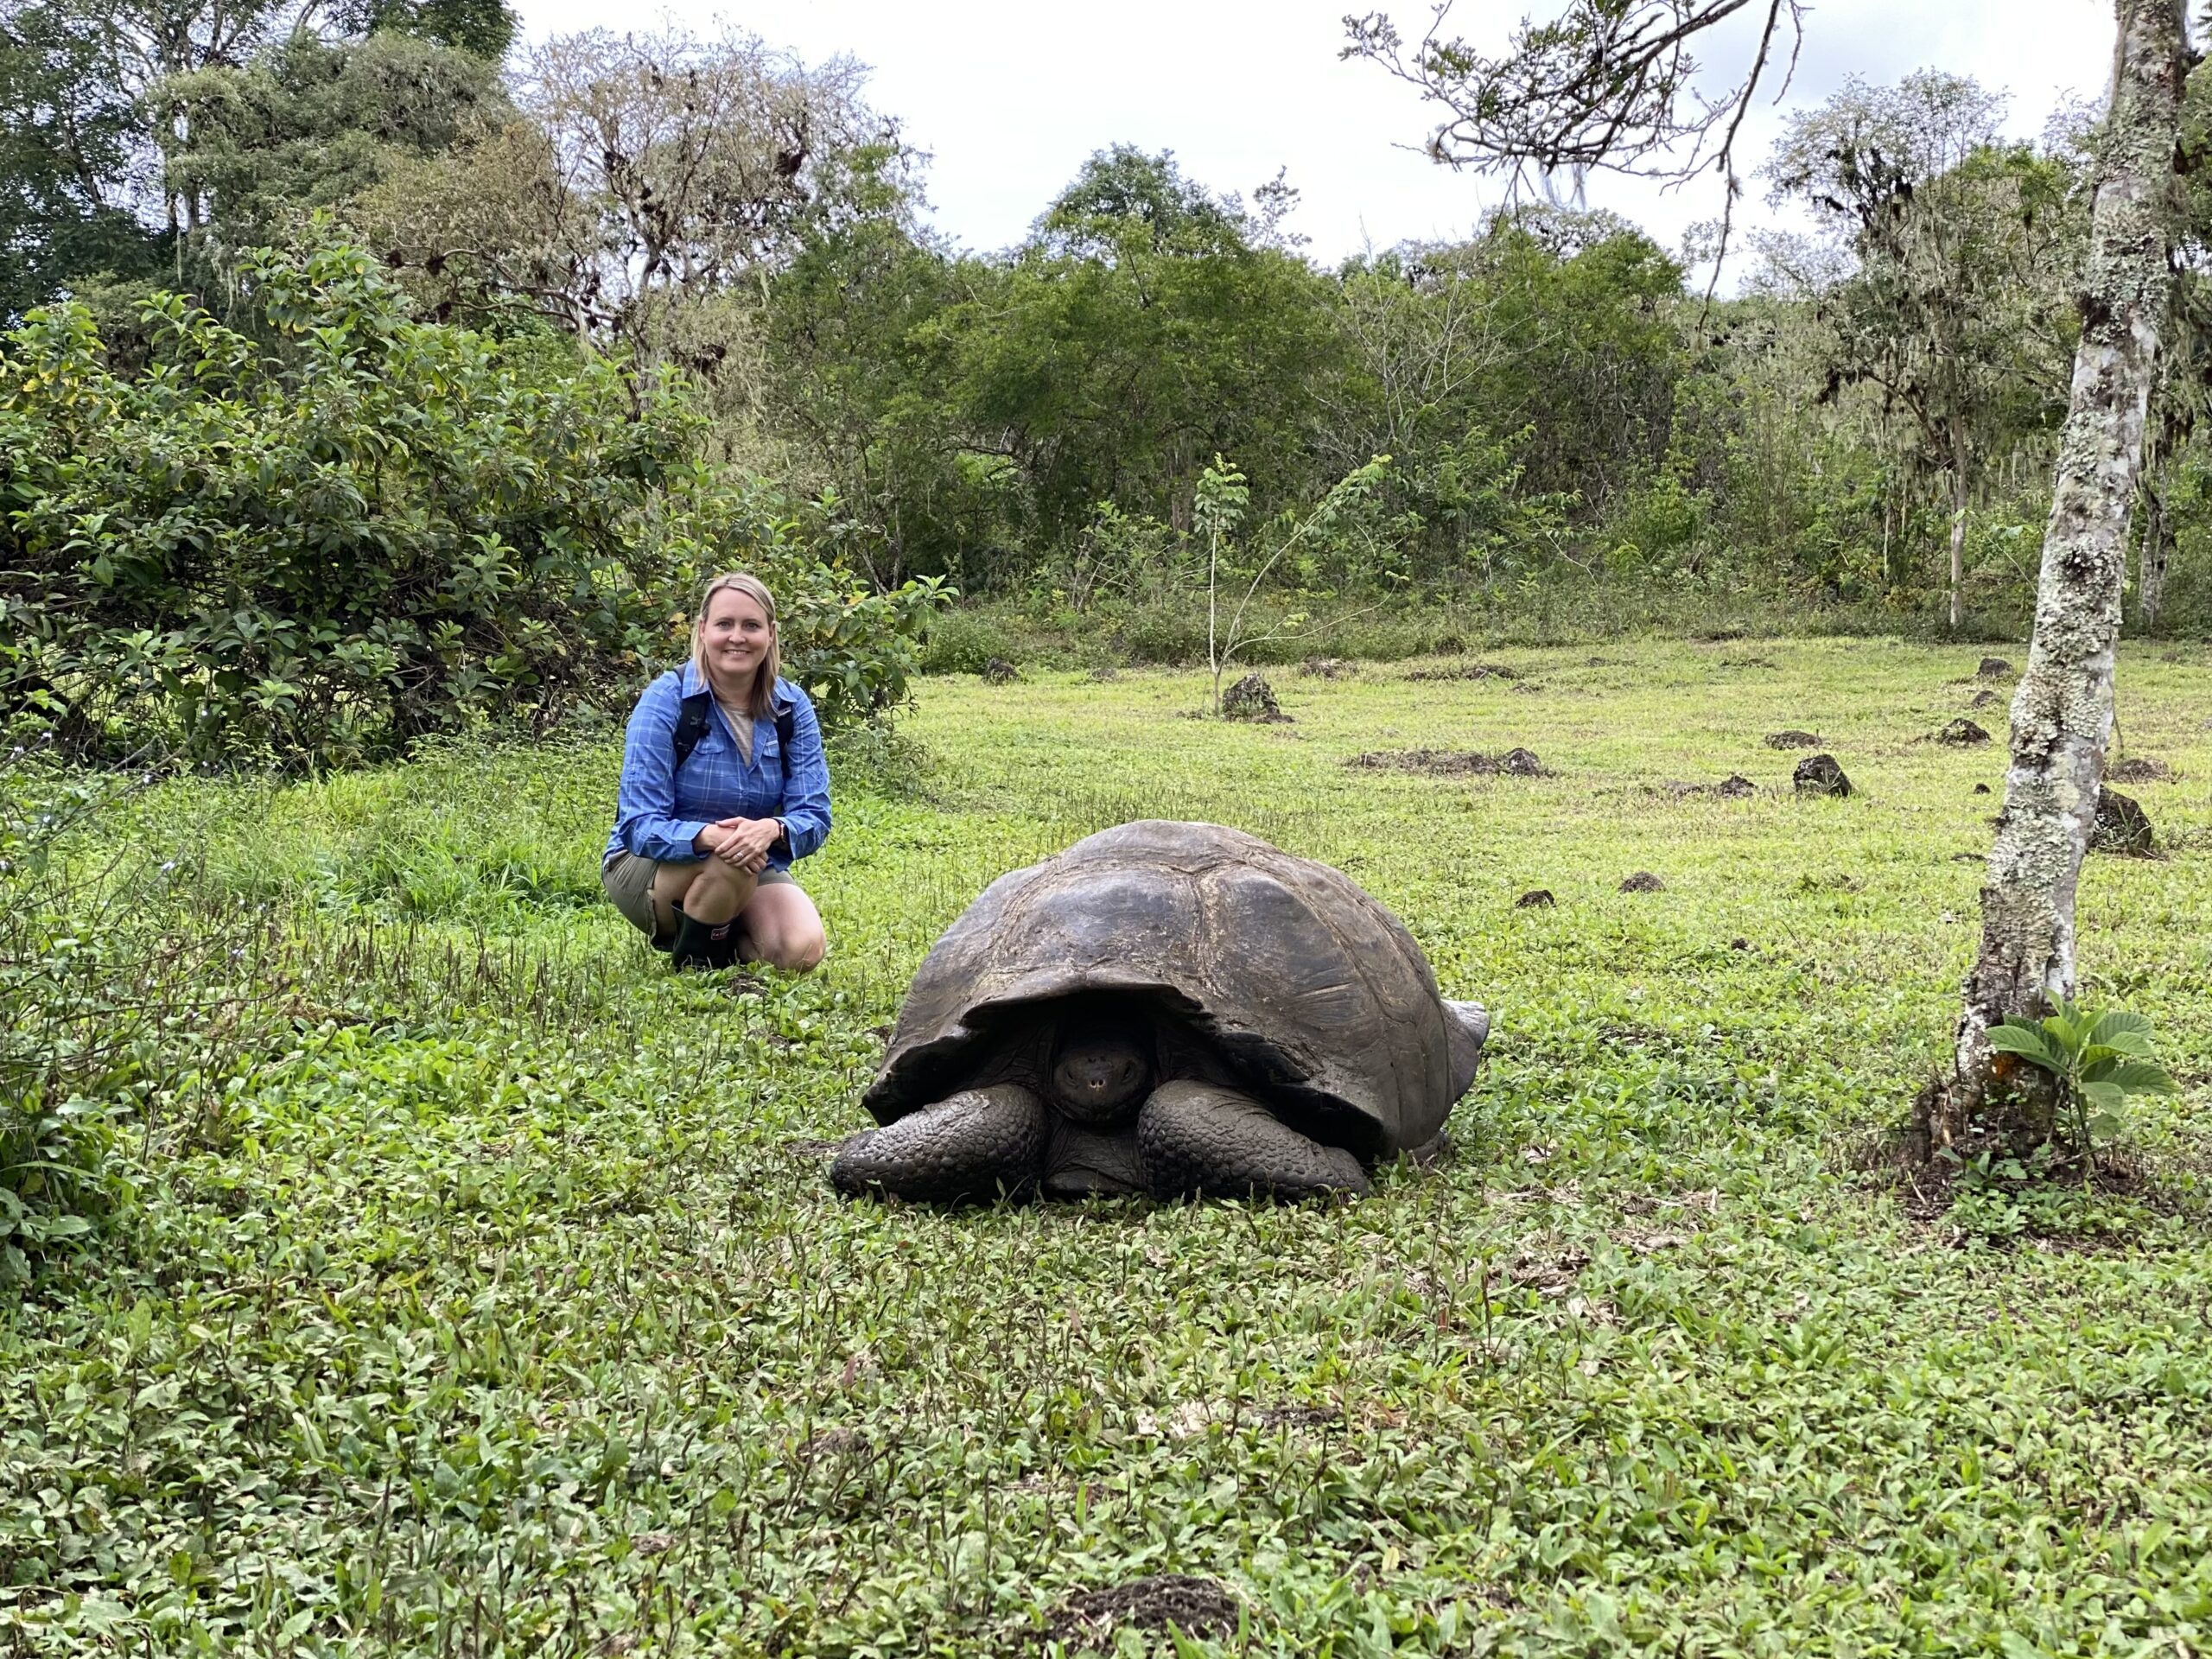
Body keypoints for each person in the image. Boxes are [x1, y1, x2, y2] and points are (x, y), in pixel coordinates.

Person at [601, 572, 830, 971]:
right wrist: (708, 837)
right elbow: (638, 824)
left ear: (771, 634)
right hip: (648, 867)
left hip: (750, 859)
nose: (737, 637)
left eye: (751, 625)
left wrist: (773, 830)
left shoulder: (792, 707)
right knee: (729, 862)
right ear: (703, 630)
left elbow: (814, 816)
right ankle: (698, 968)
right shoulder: (666, 700)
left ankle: (723, 938)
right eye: (725, 624)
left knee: (800, 949)